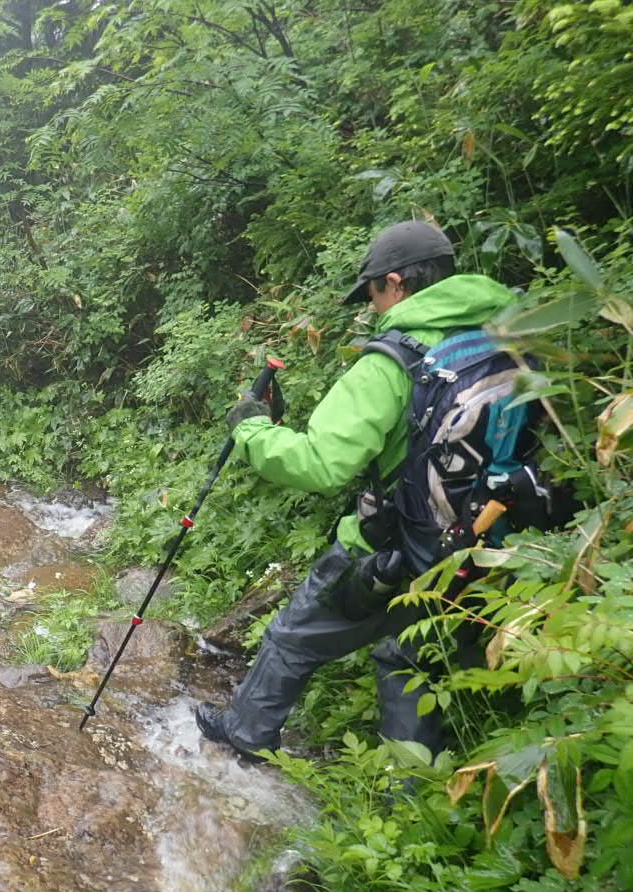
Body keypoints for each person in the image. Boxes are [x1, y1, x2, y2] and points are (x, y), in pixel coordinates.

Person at [195, 220, 517, 762]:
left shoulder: (393, 360)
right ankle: (413, 790)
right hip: (480, 544)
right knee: (409, 659)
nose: (372, 307)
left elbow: (321, 465)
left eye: (372, 293)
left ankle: (246, 734)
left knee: (293, 637)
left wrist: (251, 429)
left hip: (391, 544)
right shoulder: (508, 336)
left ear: (394, 282)